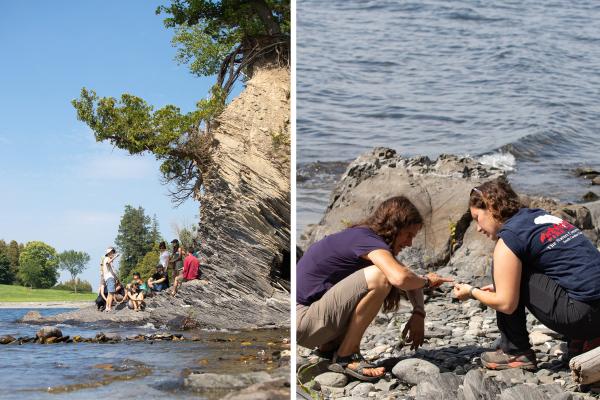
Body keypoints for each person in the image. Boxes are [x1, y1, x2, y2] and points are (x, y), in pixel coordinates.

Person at [296, 196, 452, 381]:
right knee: (380, 276)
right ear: (395, 227)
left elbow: (407, 275)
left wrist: (419, 313)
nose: (410, 243)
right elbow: (400, 278)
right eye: (408, 235)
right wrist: (427, 281)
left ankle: (331, 349)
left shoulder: (364, 238)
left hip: (310, 322)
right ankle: (347, 356)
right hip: (303, 321)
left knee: (384, 273)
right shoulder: (365, 240)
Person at [453, 179, 600, 370]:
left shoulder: (510, 237)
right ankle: (587, 339)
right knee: (513, 272)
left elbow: (506, 303)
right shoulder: (539, 218)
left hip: (583, 316)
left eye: (477, 218)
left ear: (491, 208)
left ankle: (515, 351)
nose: (478, 228)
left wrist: (471, 291)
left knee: (505, 266)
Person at [101, 247, 119, 312]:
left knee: (109, 294)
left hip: (108, 278)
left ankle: (107, 307)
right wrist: (116, 257)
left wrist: (116, 278)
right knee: (111, 294)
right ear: (109, 253)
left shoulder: (106, 259)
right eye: (112, 253)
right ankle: (109, 308)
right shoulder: (107, 258)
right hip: (109, 278)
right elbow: (108, 263)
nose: (113, 254)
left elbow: (111, 271)